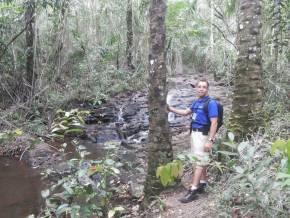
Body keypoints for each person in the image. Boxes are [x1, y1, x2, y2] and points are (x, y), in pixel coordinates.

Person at [167, 79, 218, 203]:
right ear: (196, 88)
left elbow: (214, 122)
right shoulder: (197, 102)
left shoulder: (210, 103)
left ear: (207, 89)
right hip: (194, 134)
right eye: (199, 86)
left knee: (198, 162)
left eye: (204, 87)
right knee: (201, 159)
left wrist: (210, 140)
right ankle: (203, 183)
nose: (201, 89)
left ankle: (193, 190)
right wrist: (170, 109)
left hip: (203, 135)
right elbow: (186, 112)